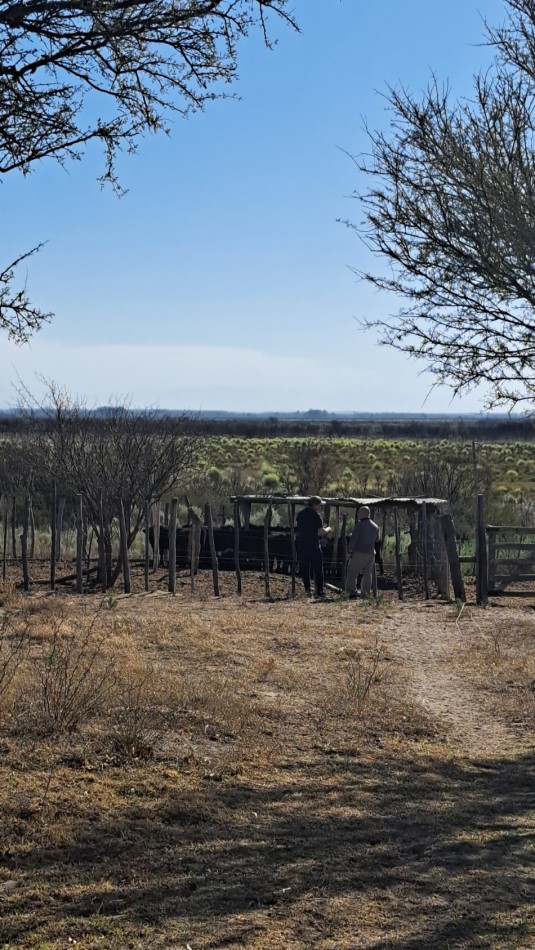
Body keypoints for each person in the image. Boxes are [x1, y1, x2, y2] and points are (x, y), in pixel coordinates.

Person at [296, 496, 332, 598]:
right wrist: (328, 528)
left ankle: (307, 590)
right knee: (318, 569)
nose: (319, 507)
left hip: (302, 545)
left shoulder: (300, 514)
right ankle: (320, 591)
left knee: (305, 569)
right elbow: (321, 532)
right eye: (319, 505)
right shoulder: (316, 516)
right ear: (315, 505)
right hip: (314, 546)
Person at [346, 505, 379, 599]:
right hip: (371, 553)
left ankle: (351, 593)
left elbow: (354, 540)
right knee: (368, 574)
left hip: (359, 552)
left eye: (359, 512)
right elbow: (377, 539)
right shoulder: (375, 526)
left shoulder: (359, 525)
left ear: (364, 513)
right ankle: (366, 594)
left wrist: (350, 551)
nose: (357, 514)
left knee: (352, 573)